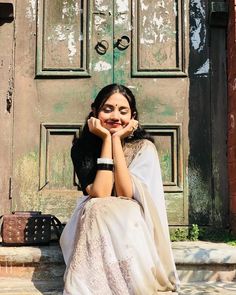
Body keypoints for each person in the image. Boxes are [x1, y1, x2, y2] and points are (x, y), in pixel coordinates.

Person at [60, 84, 180, 294]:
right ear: (94, 111)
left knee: (120, 208)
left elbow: (125, 194)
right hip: (95, 219)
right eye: (108, 109)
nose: (115, 116)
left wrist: (116, 139)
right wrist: (107, 139)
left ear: (132, 117)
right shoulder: (82, 149)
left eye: (123, 111)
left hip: (131, 222)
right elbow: (101, 192)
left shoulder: (144, 148)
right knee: (96, 206)